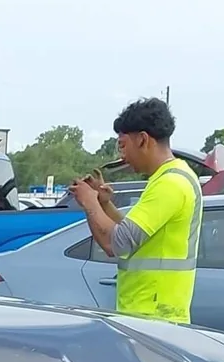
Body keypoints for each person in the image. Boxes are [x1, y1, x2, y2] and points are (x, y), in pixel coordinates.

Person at [69, 97, 202, 323]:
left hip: (155, 317)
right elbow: (134, 235)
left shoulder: (170, 184)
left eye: (123, 145)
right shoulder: (170, 178)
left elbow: (116, 243)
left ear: (142, 139)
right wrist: (104, 204)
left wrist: (90, 202)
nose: (122, 156)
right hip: (151, 313)